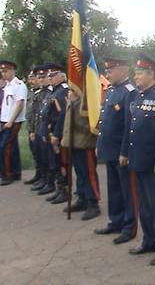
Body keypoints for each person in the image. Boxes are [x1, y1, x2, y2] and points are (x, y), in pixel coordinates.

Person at [121, 54, 155, 266]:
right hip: (137, 160)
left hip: (154, 163)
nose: (136, 77)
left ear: (151, 74)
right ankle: (149, 240)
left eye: (139, 73)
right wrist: (125, 152)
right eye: (135, 73)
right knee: (144, 205)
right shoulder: (136, 96)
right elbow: (130, 128)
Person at [94, 58, 139, 244]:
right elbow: (106, 121)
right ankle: (116, 221)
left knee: (127, 191)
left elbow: (130, 126)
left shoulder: (130, 93)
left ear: (122, 70)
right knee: (113, 189)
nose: (108, 74)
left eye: (111, 70)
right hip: (110, 149)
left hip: (122, 151)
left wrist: (125, 151)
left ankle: (129, 226)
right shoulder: (112, 91)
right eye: (107, 70)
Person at [61, 88, 101, 220]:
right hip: (74, 142)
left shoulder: (88, 95)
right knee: (80, 173)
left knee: (88, 174)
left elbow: (90, 122)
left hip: (85, 142)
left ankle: (93, 202)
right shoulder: (74, 94)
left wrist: (74, 103)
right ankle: (82, 198)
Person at [40, 65, 69, 204]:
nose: (50, 78)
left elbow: (63, 115)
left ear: (62, 76)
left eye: (53, 75)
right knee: (55, 162)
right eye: (49, 76)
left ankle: (64, 190)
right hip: (51, 132)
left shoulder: (62, 91)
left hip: (58, 133)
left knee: (61, 163)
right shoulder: (54, 91)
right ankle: (59, 188)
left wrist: (56, 134)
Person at [0, 60, 28, 186]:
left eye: (5, 71)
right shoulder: (8, 85)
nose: (3, 74)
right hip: (5, 120)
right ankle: (16, 172)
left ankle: (7, 175)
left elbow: (19, 104)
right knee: (13, 147)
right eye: (2, 71)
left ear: (12, 71)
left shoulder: (19, 85)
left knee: (5, 147)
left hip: (13, 121)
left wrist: (11, 121)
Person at [30, 65, 54, 193]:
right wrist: (33, 130)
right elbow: (35, 113)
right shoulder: (39, 93)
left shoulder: (51, 93)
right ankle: (43, 178)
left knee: (49, 157)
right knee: (40, 155)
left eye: (43, 77)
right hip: (39, 129)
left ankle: (51, 182)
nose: (41, 80)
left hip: (47, 131)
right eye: (39, 77)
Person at [24, 67, 41, 185]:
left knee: (41, 154)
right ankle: (39, 174)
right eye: (30, 78)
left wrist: (34, 131)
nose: (31, 81)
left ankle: (45, 177)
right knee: (35, 153)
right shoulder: (31, 92)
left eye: (33, 78)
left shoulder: (42, 93)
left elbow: (38, 113)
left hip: (37, 129)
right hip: (30, 128)